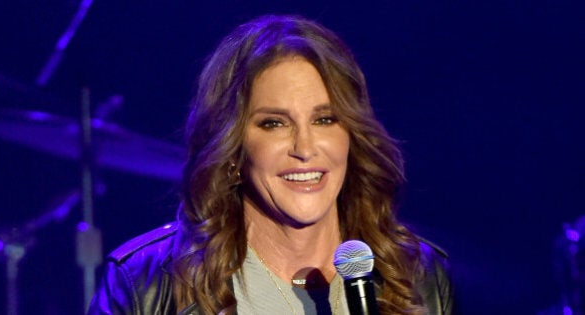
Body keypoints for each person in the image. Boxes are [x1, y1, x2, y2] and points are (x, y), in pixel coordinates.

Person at [88, 14, 452, 315]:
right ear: (232, 150)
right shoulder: (145, 283)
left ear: (352, 138)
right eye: (274, 123)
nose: (305, 148)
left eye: (325, 119)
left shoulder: (416, 274)